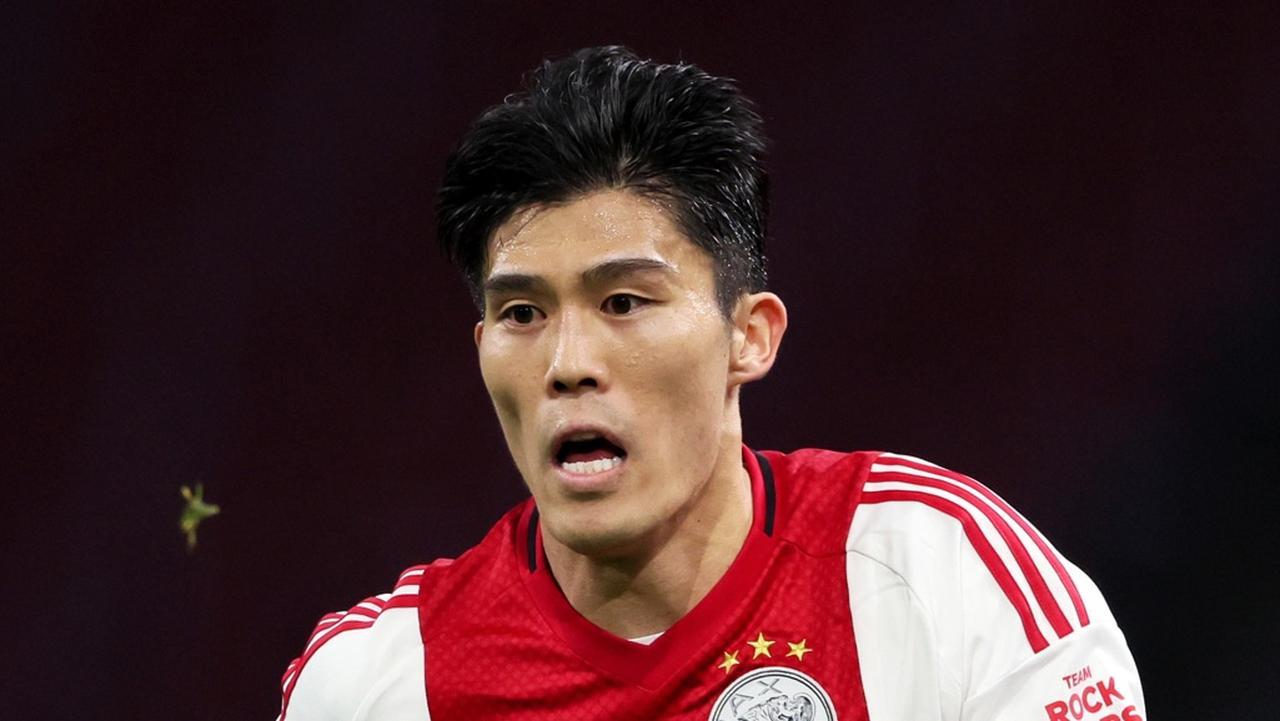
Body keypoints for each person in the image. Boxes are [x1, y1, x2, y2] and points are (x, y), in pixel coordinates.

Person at [276, 46, 1145, 721]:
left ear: (748, 335)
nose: (567, 362)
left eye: (623, 301)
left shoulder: (942, 575)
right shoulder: (378, 683)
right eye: (523, 313)